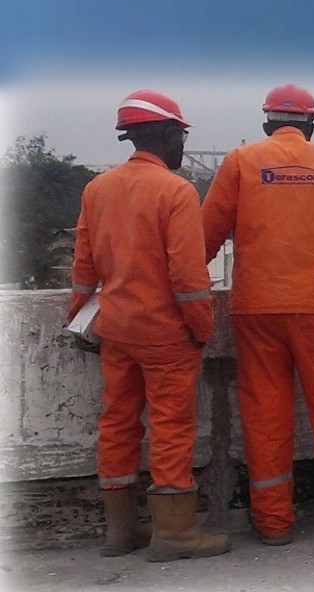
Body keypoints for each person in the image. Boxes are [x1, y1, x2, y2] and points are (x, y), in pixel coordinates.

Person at [200, 84, 314, 545]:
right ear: (312, 124)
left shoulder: (240, 161)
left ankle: (273, 523)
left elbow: (204, 239)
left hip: (256, 309)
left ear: (267, 123)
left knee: (265, 416)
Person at [69, 90, 231, 562]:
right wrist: (201, 328)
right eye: (181, 136)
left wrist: (77, 318)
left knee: (117, 423)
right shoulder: (175, 191)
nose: (182, 145)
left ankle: (120, 532)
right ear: (166, 134)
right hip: (164, 333)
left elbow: (84, 266)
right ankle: (175, 534)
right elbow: (188, 277)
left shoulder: (97, 188)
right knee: (171, 428)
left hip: (116, 330)